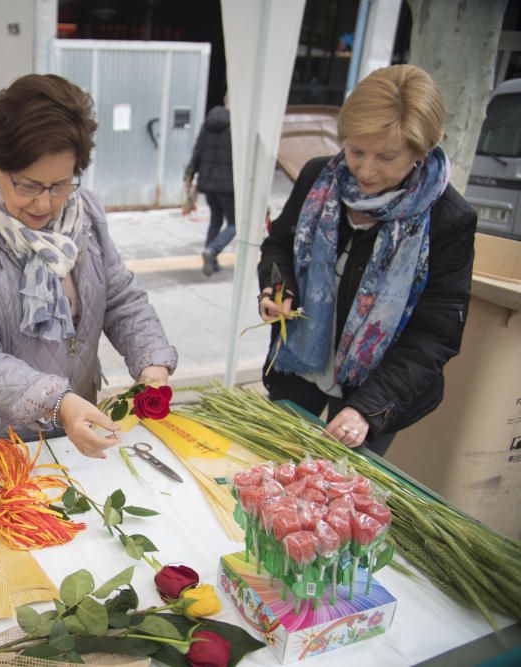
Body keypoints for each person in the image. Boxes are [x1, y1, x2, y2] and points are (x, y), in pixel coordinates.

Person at [0, 74, 177, 459]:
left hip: (75, 430)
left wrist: (152, 363)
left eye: (59, 185)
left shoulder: (84, 212)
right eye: (27, 185)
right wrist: (58, 401)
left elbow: (120, 298)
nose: (44, 204)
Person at [257, 64, 476, 456]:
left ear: (419, 151)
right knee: (272, 466)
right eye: (356, 150)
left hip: (374, 390)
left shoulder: (447, 219)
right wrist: (278, 290)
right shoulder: (317, 179)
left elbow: (434, 335)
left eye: (387, 157)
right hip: (299, 369)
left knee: (337, 495)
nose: (366, 170)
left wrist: (366, 410)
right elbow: (278, 246)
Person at [185, 97, 234, 277]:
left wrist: (189, 177)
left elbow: (197, 152)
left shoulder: (208, 123)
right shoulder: (236, 126)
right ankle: (212, 250)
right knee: (235, 224)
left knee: (215, 219)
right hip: (228, 185)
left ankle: (212, 261)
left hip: (208, 182)